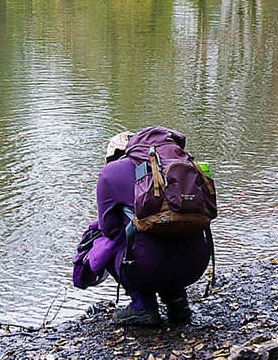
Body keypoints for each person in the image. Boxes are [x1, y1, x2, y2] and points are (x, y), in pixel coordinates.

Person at [85, 129, 212, 326]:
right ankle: (177, 303)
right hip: (196, 264)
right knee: (172, 230)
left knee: (108, 244)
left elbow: (108, 229)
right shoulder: (181, 164)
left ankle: (142, 306)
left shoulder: (110, 173)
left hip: (148, 267)